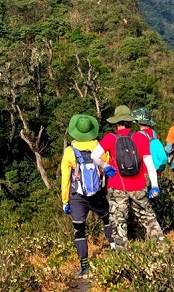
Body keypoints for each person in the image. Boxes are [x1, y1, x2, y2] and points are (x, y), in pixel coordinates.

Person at [91, 105, 164, 249]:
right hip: (139, 185)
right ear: (130, 121)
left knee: (118, 222)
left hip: (117, 185)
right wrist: (154, 185)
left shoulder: (110, 138)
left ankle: (122, 255)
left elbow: (94, 156)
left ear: (116, 122)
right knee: (148, 217)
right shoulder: (140, 137)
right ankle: (161, 248)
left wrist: (105, 167)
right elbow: (149, 163)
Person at [61, 114, 115, 279]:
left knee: (79, 231)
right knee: (107, 219)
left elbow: (65, 179)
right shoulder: (99, 147)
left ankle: (85, 267)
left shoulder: (69, 152)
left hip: (78, 196)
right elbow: (107, 169)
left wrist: (65, 201)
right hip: (97, 194)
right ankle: (115, 251)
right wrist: (105, 190)